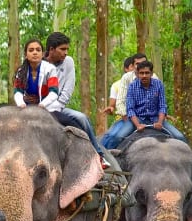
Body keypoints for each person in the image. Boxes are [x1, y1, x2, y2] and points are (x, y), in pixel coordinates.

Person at [44, 32, 110, 168]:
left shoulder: (68, 62)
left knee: (81, 118)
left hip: (58, 107)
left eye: (67, 49)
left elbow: (68, 88)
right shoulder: (39, 65)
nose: (65, 53)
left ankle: (97, 156)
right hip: (39, 108)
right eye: (62, 49)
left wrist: (57, 106)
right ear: (51, 49)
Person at [100, 57, 136, 149]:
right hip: (124, 119)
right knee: (111, 136)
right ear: (126, 69)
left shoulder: (148, 82)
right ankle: (102, 156)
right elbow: (112, 105)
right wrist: (110, 109)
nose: (136, 68)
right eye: (133, 66)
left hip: (143, 117)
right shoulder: (116, 85)